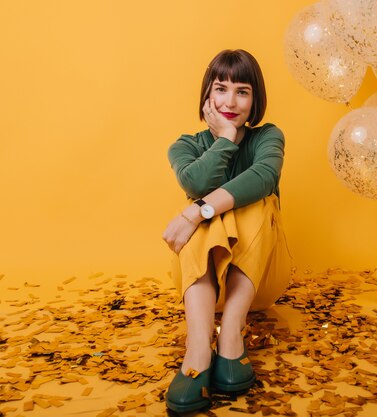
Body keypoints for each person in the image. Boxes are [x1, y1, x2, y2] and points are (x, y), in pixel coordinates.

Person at [162, 49, 291, 414]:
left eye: (242, 91)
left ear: (255, 99)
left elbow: (264, 177)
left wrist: (196, 212)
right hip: (201, 285)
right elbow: (196, 180)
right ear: (207, 95)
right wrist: (226, 138)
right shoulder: (185, 146)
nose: (230, 101)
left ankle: (232, 329)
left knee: (254, 201)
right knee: (200, 208)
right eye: (221, 89)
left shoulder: (268, 136)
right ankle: (199, 346)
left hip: (260, 279)